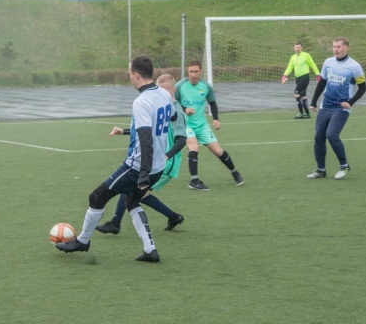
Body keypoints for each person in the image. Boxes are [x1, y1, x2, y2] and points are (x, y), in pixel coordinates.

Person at [55, 55, 174, 263]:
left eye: (129, 73)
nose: (129, 76)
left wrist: (143, 174)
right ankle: (150, 250)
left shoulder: (141, 101)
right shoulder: (164, 94)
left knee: (97, 197)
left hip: (138, 167)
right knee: (132, 201)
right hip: (158, 166)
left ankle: (82, 241)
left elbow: (146, 139)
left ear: (135, 75)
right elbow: (171, 118)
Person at [95, 74, 187, 235]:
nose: (159, 94)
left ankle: (116, 224)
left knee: (134, 191)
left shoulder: (176, 111)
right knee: (134, 191)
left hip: (166, 161)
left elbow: (182, 140)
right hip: (157, 158)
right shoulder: (159, 105)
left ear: (172, 90)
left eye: (163, 90)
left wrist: (167, 156)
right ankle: (173, 217)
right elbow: (146, 131)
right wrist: (124, 131)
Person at [175, 59, 244, 191]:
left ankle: (235, 172)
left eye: (196, 71)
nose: (193, 74)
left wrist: (216, 118)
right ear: (187, 72)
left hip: (202, 125)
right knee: (194, 147)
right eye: (191, 71)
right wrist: (184, 109)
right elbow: (173, 102)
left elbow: (212, 102)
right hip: (185, 125)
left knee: (218, 151)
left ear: (201, 72)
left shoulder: (206, 86)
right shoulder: (180, 86)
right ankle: (194, 181)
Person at [307, 37, 366, 180]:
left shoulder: (354, 66)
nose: (335, 49)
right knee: (318, 137)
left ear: (346, 48)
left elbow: (363, 88)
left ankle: (344, 165)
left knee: (331, 135)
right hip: (325, 106)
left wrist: (350, 102)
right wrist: (314, 102)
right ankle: (320, 170)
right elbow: (322, 83)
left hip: (341, 108)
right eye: (334, 47)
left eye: (339, 47)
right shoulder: (328, 62)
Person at [282, 42, 320, 119]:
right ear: (294, 48)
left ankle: (301, 113)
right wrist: (284, 75)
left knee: (296, 94)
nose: (297, 49)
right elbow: (290, 67)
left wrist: (317, 74)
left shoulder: (306, 55)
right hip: (298, 78)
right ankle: (307, 114)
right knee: (303, 96)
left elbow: (312, 64)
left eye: (299, 47)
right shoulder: (293, 57)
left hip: (304, 77)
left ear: (301, 48)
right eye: (296, 47)